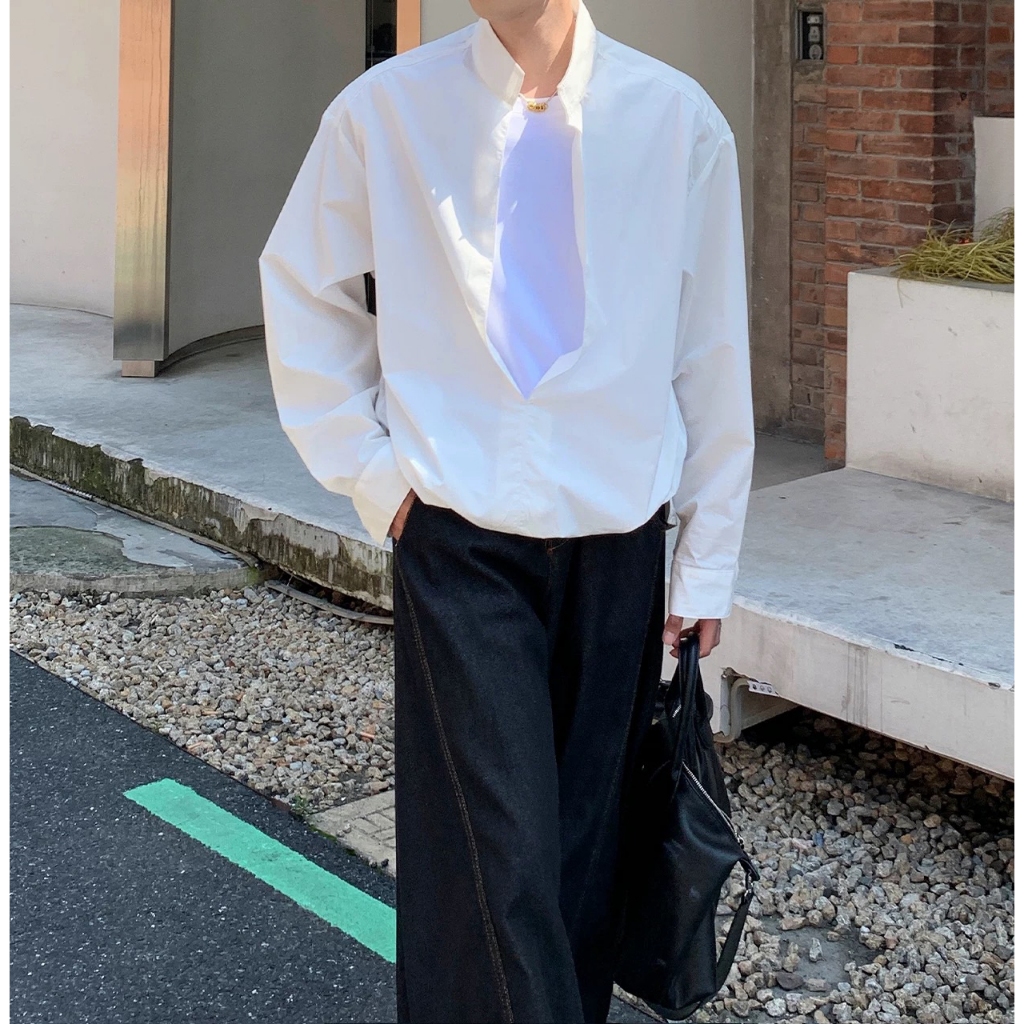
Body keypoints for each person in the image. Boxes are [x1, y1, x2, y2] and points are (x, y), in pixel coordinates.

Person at [258, 0, 754, 1020]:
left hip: (619, 545)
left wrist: (706, 556)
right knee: (498, 863)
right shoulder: (385, 112)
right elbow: (300, 285)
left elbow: (709, 350)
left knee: (581, 867)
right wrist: (374, 476)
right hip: (459, 542)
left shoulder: (677, 121)